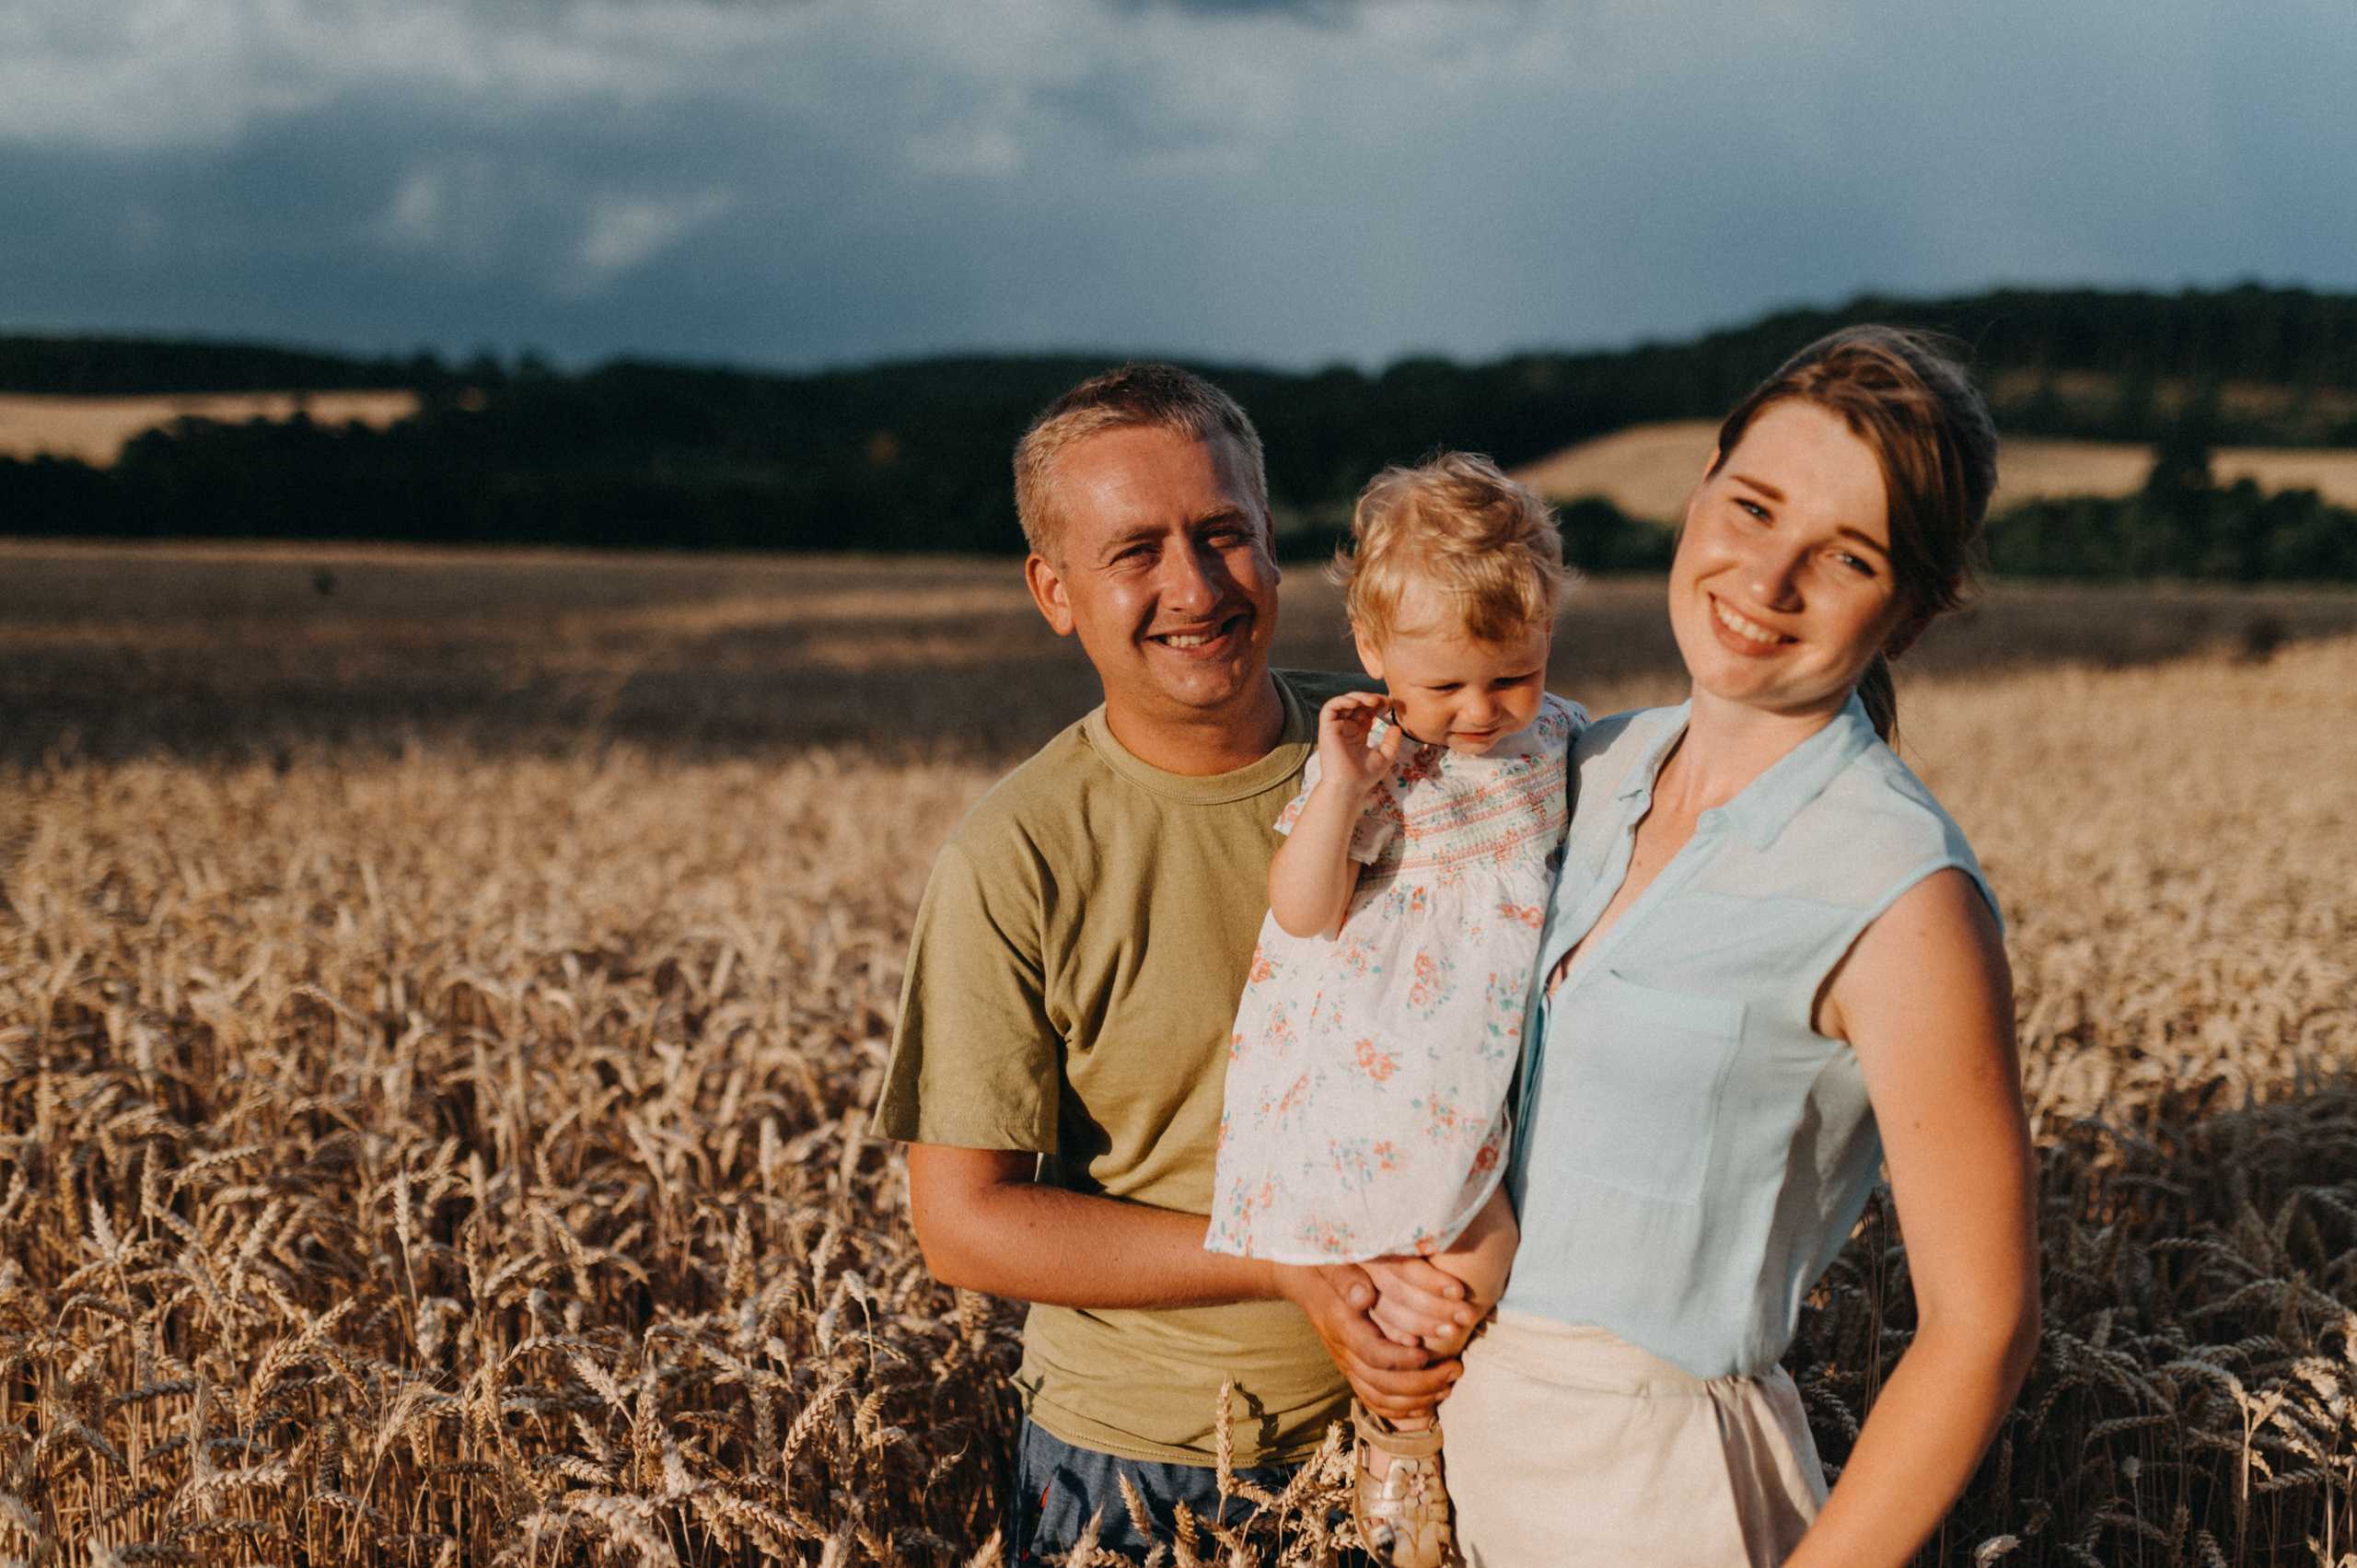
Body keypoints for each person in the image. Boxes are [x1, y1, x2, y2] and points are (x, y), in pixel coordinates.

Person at [1394, 327, 2041, 1567]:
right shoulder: (1573, 768)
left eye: (1846, 557)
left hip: (1664, 1498)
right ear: (1700, 486)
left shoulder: (1900, 894)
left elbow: (1984, 1322)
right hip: (1472, 1465)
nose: (1769, 576)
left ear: (1905, 615)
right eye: (1753, 506)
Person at [875, 364, 1461, 1565]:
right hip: (1150, 1478)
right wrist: (1289, 1264)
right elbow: (964, 1224)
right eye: (1134, 550)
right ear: (1054, 589)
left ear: (1276, 551)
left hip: (1440, 1433)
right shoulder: (1017, 851)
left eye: (1223, 534)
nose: (1193, 585)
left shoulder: (1420, 754)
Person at [1204, 454, 1580, 1568]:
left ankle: (1455, 1428)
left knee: (1483, 1246)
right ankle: (1402, 1432)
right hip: (1393, 1059)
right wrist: (1337, 781)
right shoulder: (1382, 765)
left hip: (1496, 1055)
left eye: (1509, 676)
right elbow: (1305, 907)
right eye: (1446, 683)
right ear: (1374, 656)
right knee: (1476, 1249)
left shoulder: (1559, 736)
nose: (1478, 710)